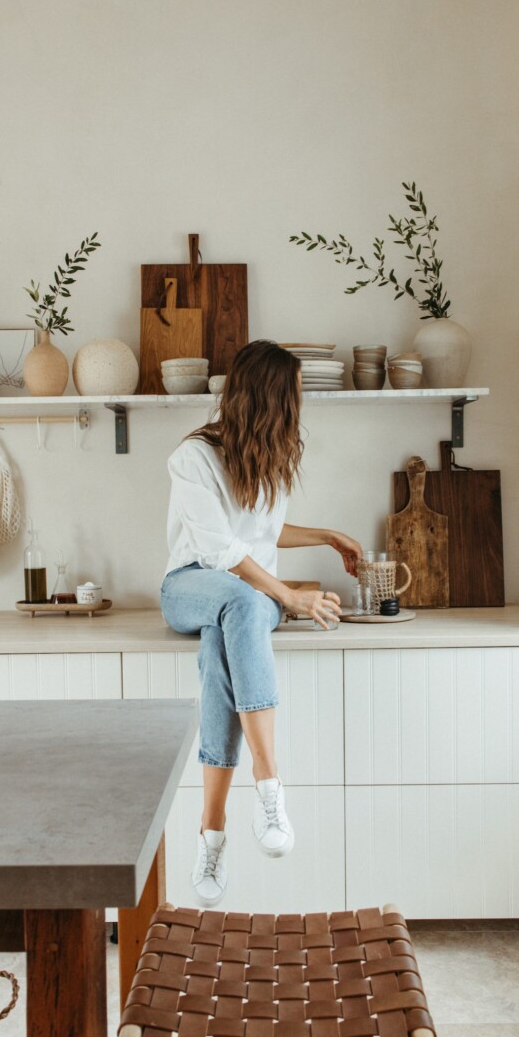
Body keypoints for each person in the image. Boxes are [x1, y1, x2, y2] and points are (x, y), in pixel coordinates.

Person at [160, 339, 363, 905]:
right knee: (242, 603)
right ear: (269, 398)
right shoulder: (192, 458)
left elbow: (262, 535)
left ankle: (212, 833)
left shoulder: (267, 456)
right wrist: (289, 597)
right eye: (294, 395)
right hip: (189, 588)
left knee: (220, 651)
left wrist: (326, 535)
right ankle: (269, 783)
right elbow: (221, 550)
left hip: (243, 602)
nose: (299, 406)